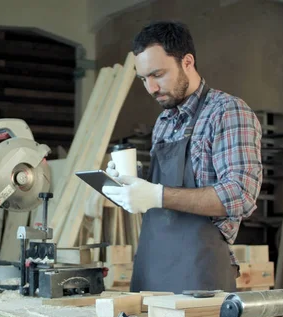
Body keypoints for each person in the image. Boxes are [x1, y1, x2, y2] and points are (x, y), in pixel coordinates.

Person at [102, 21, 263, 294]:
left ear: (187, 62)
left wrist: (157, 195)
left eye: (158, 74)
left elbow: (240, 194)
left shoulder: (227, 112)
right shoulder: (164, 121)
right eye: (143, 79)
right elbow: (165, 190)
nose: (151, 88)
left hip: (199, 274)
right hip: (152, 268)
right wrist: (129, 184)